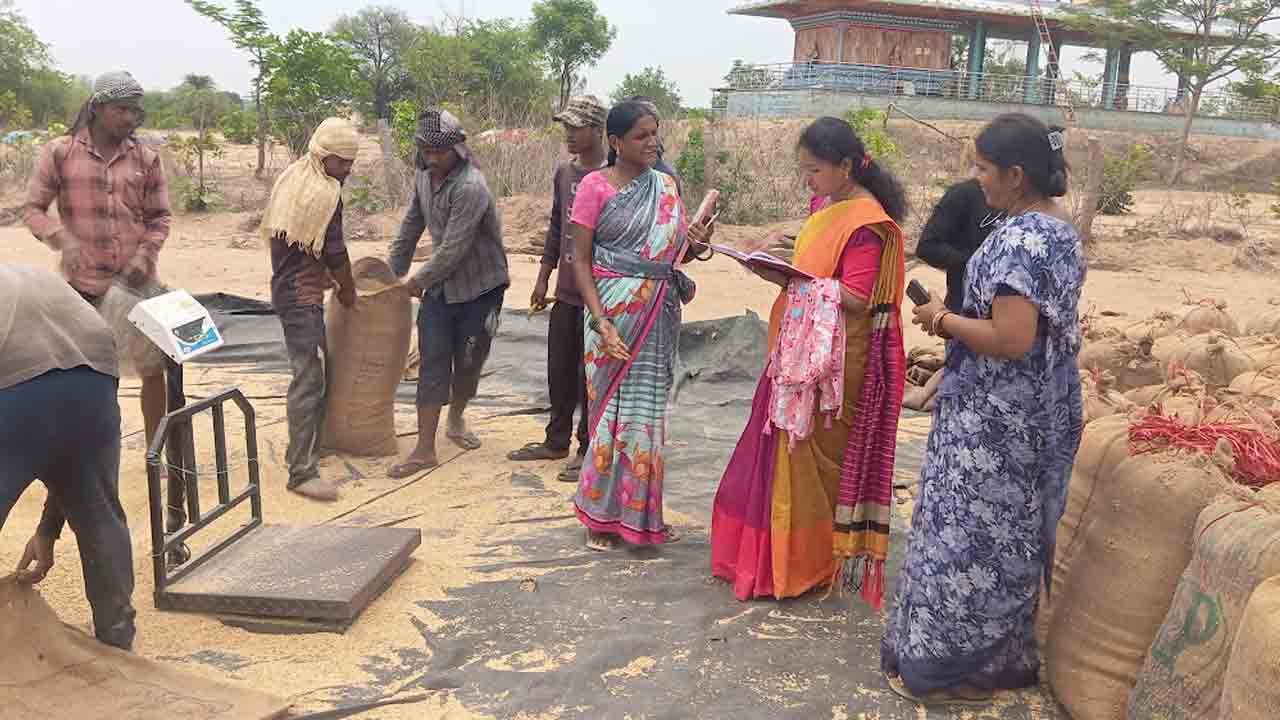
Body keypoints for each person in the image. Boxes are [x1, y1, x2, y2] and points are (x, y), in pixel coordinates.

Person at [881, 113, 1086, 704]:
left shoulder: (1025, 239)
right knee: (1006, 538)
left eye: (983, 168)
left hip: (999, 418)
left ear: (1016, 175)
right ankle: (992, 660)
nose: (978, 179)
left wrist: (940, 320)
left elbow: (1012, 337)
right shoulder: (1055, 228)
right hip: (1024, 407)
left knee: (968, 537)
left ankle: (955, 671)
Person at [711, 116, 908, 603]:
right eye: (803, 169)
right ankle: (773, 558)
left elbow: (859, 296)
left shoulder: (866, 223)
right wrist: (781, 258)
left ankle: (807, 562)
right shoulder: (829, 206)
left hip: (833, 361)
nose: (808, 180)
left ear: (845, 167)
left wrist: (796, 276)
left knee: (809, 455)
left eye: (814, 170)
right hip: (796, 349)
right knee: (781, 448)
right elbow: (822, 268)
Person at [569, 101, 714, 551]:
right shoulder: (594, 187)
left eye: (655, 133)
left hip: (658, 313)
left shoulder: (667, 186)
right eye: (640, 136)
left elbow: (671, 257)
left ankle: (640, 516)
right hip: (611, 311)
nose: (651, 142)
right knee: (610, 411)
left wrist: (697, 244)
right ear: (615, 143)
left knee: (647, 416)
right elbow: (580, 260)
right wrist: (601, 320)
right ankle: (599, 517)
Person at [23, 70, 172, 473]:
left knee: (153, 370)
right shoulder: (61, 152)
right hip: (82, 289)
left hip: (137, 286)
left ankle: (155, 454)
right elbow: (33, 210)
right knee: (96, 379)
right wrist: (61, 239)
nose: (130, 118)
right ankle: (96, 457)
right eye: (122, 109)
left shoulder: (146, 157)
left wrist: (145, 255)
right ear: (98, 108)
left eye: (135, 111)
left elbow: (160, 218)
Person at [2, 264, 136, 651]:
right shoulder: (33, 278)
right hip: (92, 383)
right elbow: (68, 455)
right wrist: (48, 530)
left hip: (14, 392)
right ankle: (117, 640)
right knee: (99, 514)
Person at [388, 109, 509, 478]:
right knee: (432, 361)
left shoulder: (471, 187)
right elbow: (411, 226)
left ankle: (455, 418)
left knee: (468, 362)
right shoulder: (423, 179)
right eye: (427, 152)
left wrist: (415, 282)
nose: (433, 159)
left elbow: (453, 249)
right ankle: (424, 449)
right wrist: (391, 273)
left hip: (480, 287)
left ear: (458, 148)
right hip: (441, 288)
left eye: (439, 152)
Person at [508, 96, 609, 483]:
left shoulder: (612, 177)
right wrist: (543, 275)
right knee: (559, 371)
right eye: (565, 126)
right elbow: (556, 227)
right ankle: (556, 440)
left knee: (590, 377)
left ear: (597, 131)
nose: (567, 134)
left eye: (575, 127)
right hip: (566, 292)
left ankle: (587, 446)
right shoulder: (564, 174)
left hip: (598, 294)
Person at [260, 117, 360, 501]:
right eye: (342, 162)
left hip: (291, 288)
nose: (347, 170)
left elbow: (304, 245)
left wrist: (324, 275)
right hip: (300, 298)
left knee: (314, 370)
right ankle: (301, 471)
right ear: (324, 155)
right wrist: (347, 288)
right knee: (310, 377)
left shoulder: (296, 177)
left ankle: (308, 448)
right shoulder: (323, 192)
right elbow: (334, 250)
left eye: (350, 163)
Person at [916, 169, 999, 313]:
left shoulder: (1028, 203)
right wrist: (975, 263)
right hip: (964, 310)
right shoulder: (964, 194)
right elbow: (927, 246)